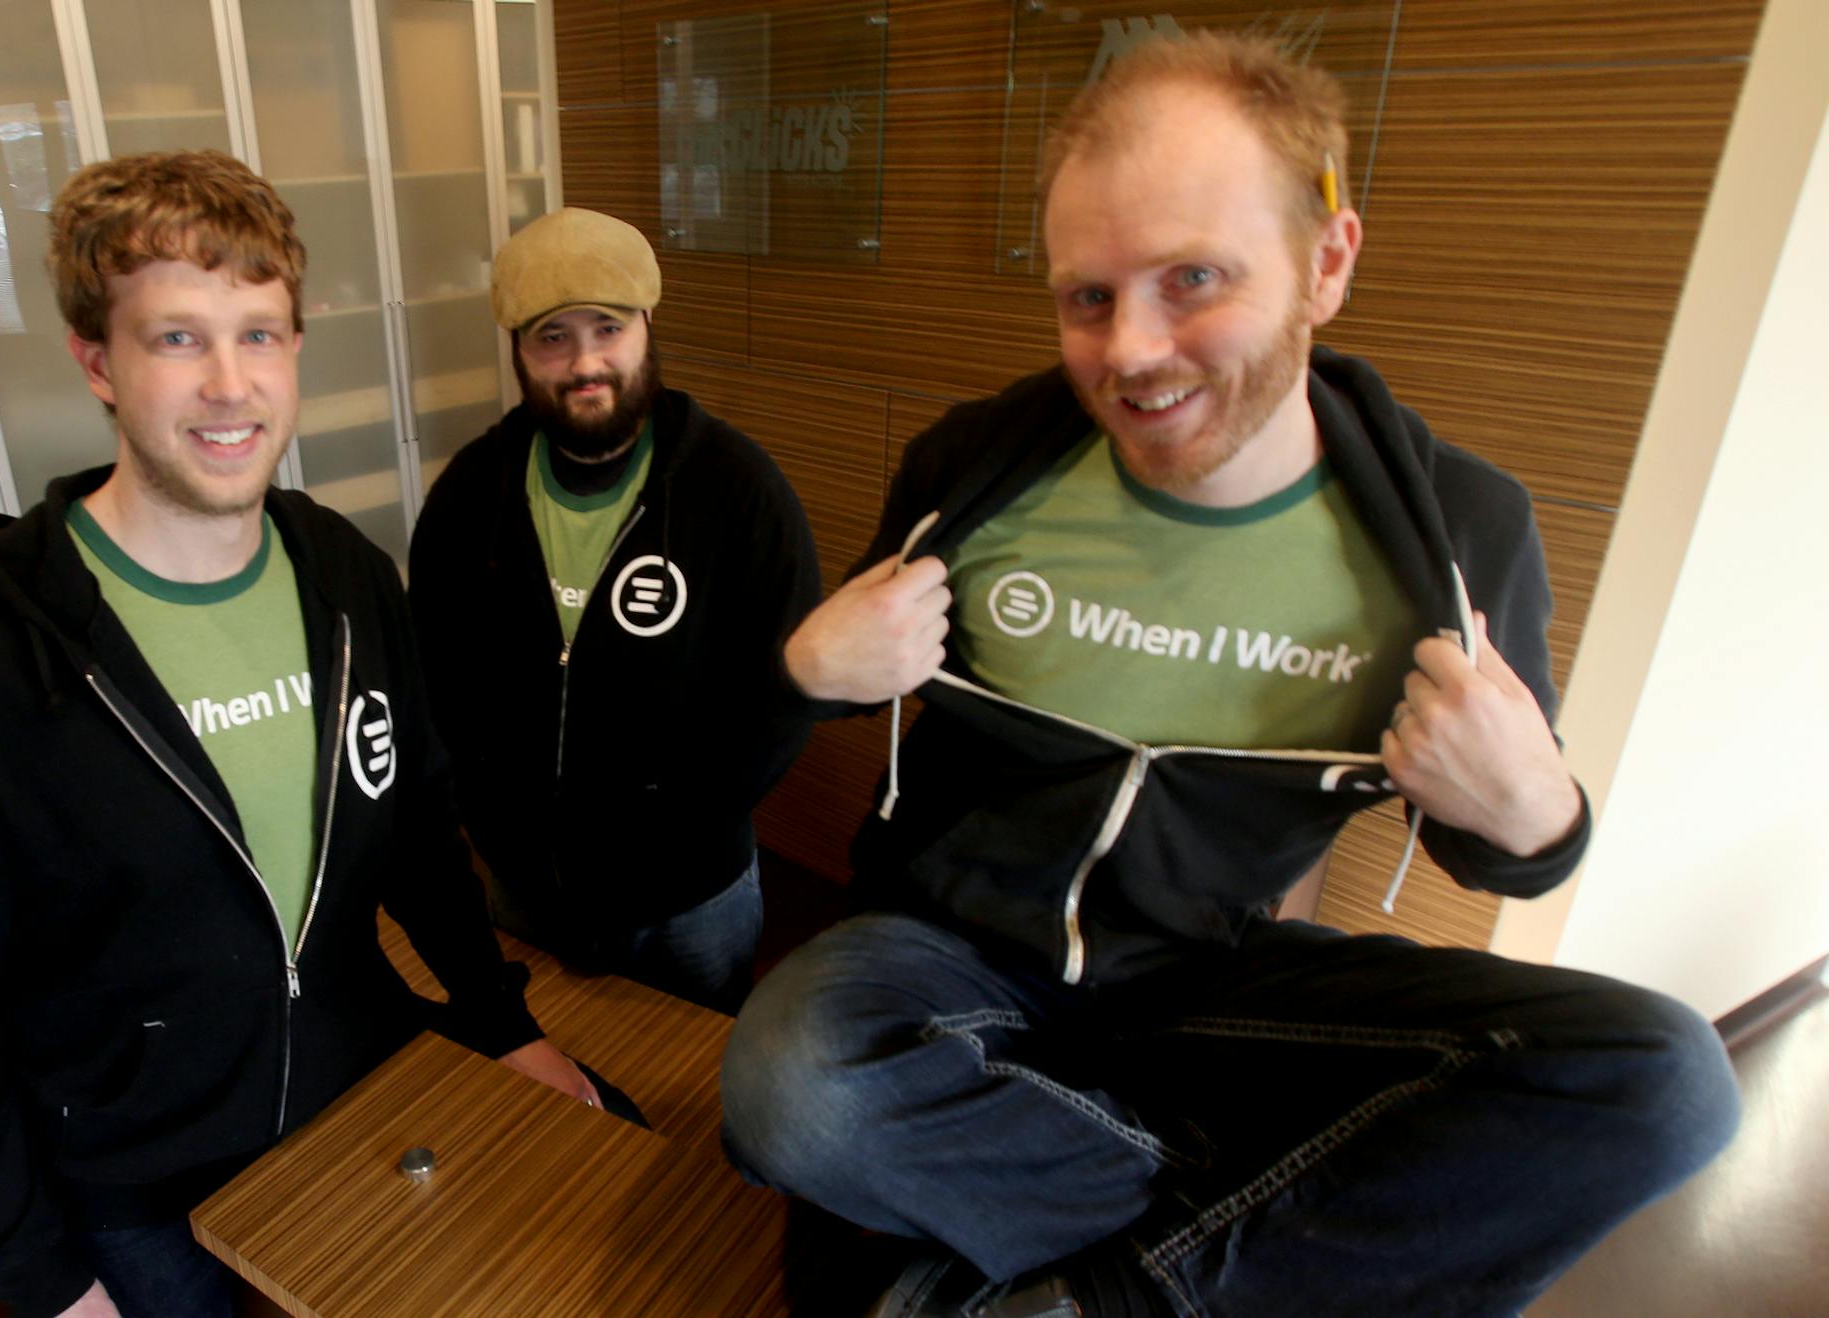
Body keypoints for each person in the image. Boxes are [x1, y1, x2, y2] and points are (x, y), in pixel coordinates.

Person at [719, 35, 1740, 1318]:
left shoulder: (1460, 538)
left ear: (1328, 261)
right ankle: (1237, 1239)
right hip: (947, 961)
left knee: (1664, 1079)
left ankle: (1079, 1284)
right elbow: (839, 685)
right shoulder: (969, 472)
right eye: (1088, 297)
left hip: (1209, 982)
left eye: (1192, 278)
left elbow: (1501, 853)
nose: (1131, 350)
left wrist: (1545, 816)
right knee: (795, 1083)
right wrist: (806, 672)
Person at [0, 150, 596, 1318]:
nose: (230, 386)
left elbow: (417, 834)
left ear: (295, 347)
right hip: (135, 1186)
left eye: (258, 334)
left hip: (358, 1098)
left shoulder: (345, 575)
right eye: (177, 338)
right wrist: (45, 1282)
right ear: (98, 361)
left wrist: (502, 1024)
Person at [408, 207, 820, 1014]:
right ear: (517, 349)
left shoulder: (737, 489)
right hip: (526, 888)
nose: (585, 362)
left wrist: (687, 829)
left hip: (694, 894)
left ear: (647, 325)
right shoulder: (470, 495)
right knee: (544, 1069)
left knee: (698, 1072)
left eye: (607, 328)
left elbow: (785, 691)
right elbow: (436, 683)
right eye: (552, 337)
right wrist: (491, 828)